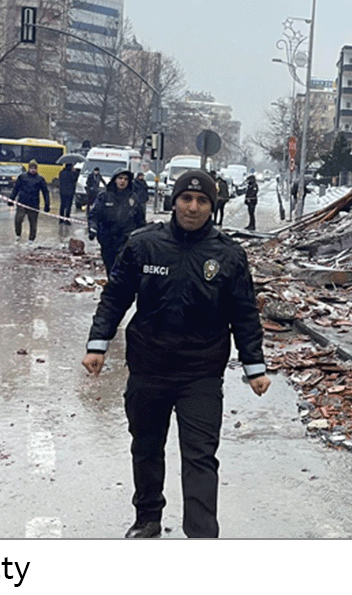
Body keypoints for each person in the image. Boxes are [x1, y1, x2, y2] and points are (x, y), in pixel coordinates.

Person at [82, 168, 270, 539]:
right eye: (187, 198)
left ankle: (201, 535)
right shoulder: (143, 244)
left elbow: (244, 312)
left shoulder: (228, 255)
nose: (194, 207)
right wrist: (97, 345)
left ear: (212, 207)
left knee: (200, 456)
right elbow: (115, 297)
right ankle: (148, 517)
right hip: (149, 367)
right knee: (147, 447)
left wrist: (255, 367)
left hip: (200, 373)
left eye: (202, 201)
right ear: (174, 201)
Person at [89, 168, 146, 276]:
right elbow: (95, 215)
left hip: (126, 241)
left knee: (124, 271)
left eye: (125, 179)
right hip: (108, 240)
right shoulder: (105, 197)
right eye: (120, 178)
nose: (122, 181)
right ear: (115, 180)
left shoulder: (134, 199)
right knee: (111, 270)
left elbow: (141, 221)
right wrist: (93, 227)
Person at [9, 162, 51, 241]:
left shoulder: (40, 179)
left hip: (34, 204)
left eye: (34, 168)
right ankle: (18, 234)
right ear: (29, 168)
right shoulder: (22, 177)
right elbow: (16, 189)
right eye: (31, 168)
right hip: (22, 202)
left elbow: (45, 192)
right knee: (18, 219)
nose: (33, 170)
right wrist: (11, 199)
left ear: (36, 169)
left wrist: (47, 205)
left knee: (33, 223)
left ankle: (31, 239)